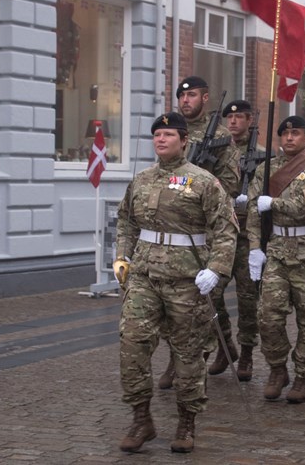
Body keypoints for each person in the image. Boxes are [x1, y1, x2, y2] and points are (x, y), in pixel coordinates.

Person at [114, 112, 238, 453]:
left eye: (169, 134)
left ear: (184, 140)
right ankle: (141, 419)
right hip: (144, 277)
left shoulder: (203, 182)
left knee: (187, 354)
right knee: (132, 343)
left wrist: (216, 269)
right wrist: (122, 256)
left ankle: (186, 422)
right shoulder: (140, 180)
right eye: (157, 134)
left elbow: (226, 230)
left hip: (187, 281)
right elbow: (125, 222)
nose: (161, 139)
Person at [161, 76, 241, 385]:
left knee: (203, 297)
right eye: (182, 96)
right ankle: (224, 345)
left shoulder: (221, 136)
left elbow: (230, 184)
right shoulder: (173, 131)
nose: (185, 101)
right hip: (174, 226)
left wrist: (200, 185)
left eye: (192, 95)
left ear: (205, 98)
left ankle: (191, 361)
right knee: (171, 299)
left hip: (205, 228)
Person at [246, 115, 305, 404]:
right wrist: (255, 247)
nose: (289, 138)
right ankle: (277, 368)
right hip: (278, 251)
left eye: (296, 133)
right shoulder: (265, 170)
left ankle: (304, 376)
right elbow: (254, 211)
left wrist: (275, 203)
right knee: (268, 315)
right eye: (284, 133)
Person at [221, 99, 262, 382]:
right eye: (230, 118)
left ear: (249, 120)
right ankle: (225, 343)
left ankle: (246, 352)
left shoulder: (261, 155)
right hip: (222, 233)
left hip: (247, 236)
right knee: (207, 294)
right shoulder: (218, 150)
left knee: (248, 299)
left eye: (239, 117)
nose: (233, 122)